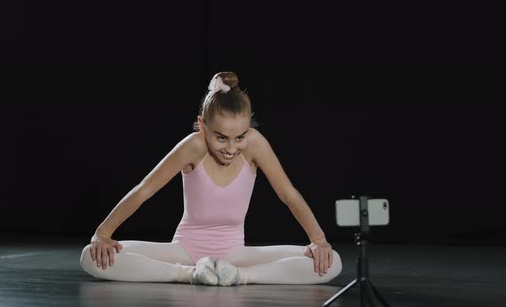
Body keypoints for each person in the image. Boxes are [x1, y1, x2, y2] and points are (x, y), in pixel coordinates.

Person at [80, 72, 342, 286]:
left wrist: (318, 241)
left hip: (236, 256)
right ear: (202, 126)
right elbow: (145, 189)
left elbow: (288, 193)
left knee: (332, 262)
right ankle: (189, 274)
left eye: (239, 137)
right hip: (184, 251)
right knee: (90, 257)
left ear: (248, 129)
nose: (231, 148)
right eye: (221, 137)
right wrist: (102, 234)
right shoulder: (193, 146)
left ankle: (240, 276)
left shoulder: (255, 145)